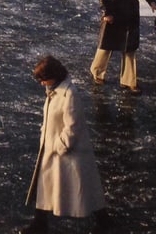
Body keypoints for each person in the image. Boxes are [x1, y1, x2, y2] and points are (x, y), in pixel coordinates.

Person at [22, 55, 109, 234]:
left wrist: (60, 146)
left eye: (43, 79)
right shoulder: (54, 91)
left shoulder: (69, 94)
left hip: (69, 153)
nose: (41, 83)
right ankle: (40, 222)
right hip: (51, 149)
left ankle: (103, 220)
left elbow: (73, 125)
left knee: (83, 186)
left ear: (53, 75)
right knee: (45, 185)